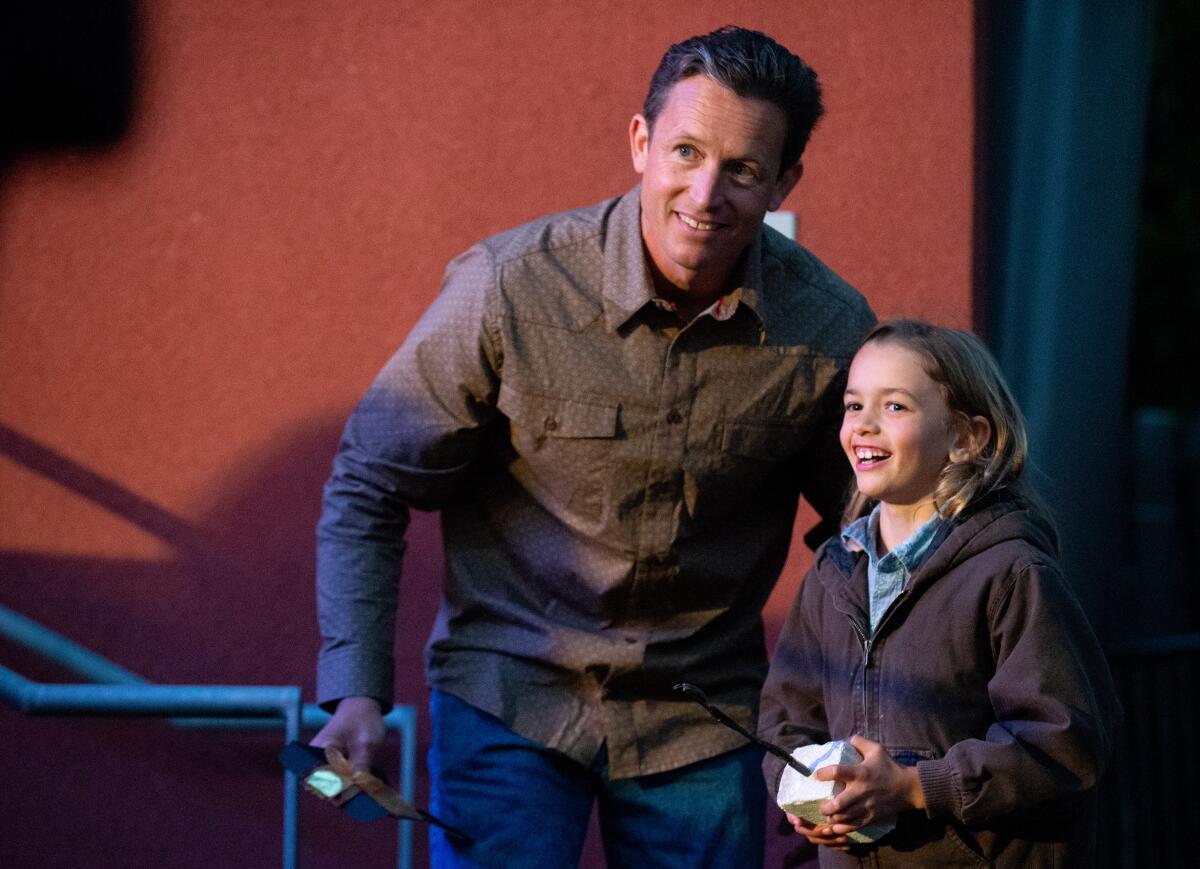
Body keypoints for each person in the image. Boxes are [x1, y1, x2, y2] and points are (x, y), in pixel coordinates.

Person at [313, 26, 874, 868]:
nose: (706, 191)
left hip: (701, 720)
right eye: (685, 150)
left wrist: (852, 726)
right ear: (641, 142)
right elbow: (370, 482)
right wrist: (355, 687)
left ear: (783, 180)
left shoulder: (829, 328)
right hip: (510, 697)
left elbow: (875, 530)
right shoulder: (507, 287)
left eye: (744, 170)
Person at [758, 319, 1120, 867]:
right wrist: (811, 799)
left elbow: (1063, 745)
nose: (864, 426)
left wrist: (911, 787)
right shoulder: (832, 573)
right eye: (854, 406)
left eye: (895, 407)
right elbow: (787, 721)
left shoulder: (1012, 572)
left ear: (965, 438)